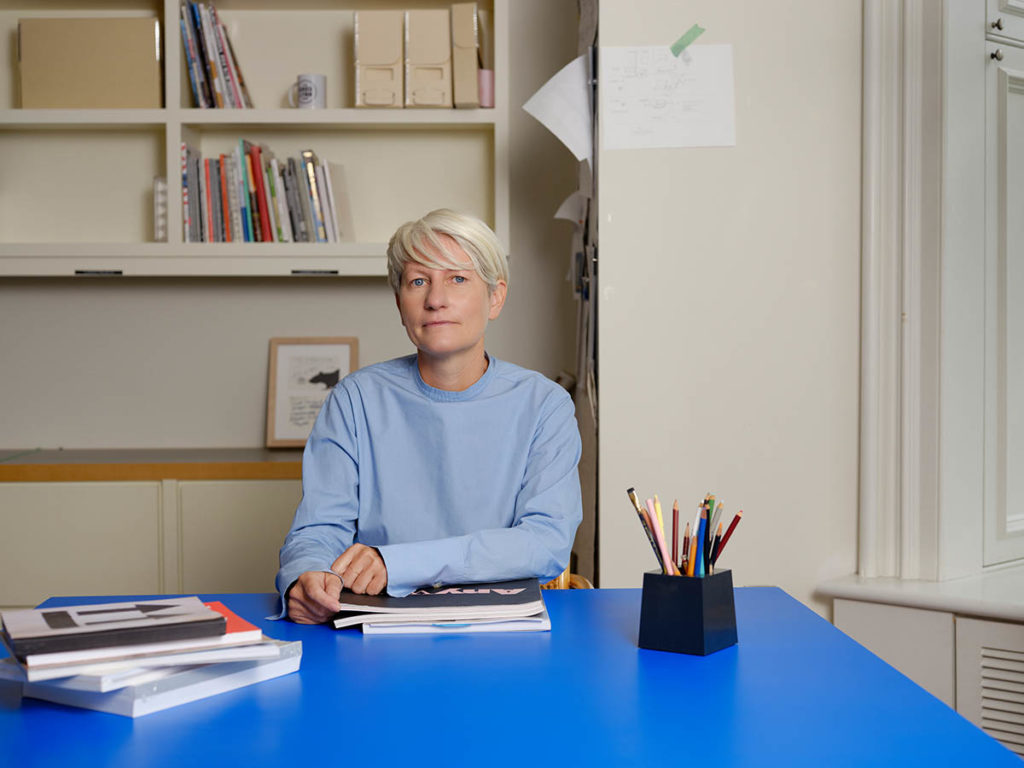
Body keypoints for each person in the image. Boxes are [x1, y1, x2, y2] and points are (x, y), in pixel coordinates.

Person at [276, 209, 583, 624]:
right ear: (400, 304)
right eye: (418, 281)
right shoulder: (355, 399)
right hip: (373, 628)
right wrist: (306, 576)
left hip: (499, 630)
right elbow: (318, 528)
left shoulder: (545, 404)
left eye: (457, 278)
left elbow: (544, 543)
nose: (435, 299)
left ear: (495, 297)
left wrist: (397, 564)